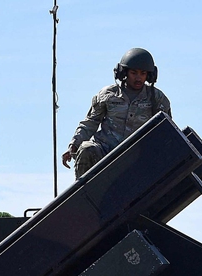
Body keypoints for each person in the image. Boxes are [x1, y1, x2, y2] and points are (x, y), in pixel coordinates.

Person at [62, 47, 171, 179]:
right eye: (134, 73)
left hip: (136, 157)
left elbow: (167, 131)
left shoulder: (156, 98)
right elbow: (90, 123)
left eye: (143, 73)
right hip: (105, 152)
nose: (138, 78)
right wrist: (74, 145)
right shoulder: (107, 94)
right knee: (86, 149)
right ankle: (83, 195)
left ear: (149, 75)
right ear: (123, 73)